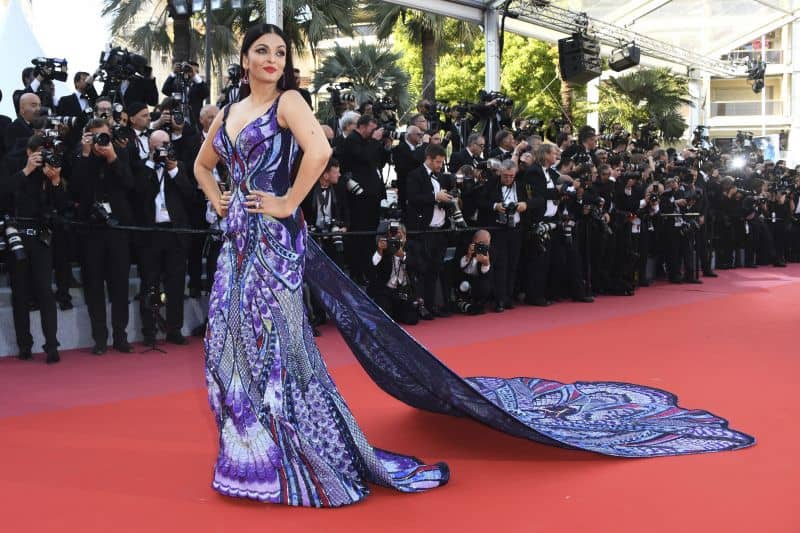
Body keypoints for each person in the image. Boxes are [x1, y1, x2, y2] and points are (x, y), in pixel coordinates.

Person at [194, 24, 449, 507]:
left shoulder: (288, 102)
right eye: (261, 50)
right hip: (236, 244)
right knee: (227, 345)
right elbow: (201, 165)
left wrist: (288, 202)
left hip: (274, 245)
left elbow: (322, 151)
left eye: (280, 51)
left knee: (278, 349)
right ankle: (249, 453)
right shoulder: (227, 112)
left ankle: (297, 456)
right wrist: (219, 199)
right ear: (245, 58)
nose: (272, 58)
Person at [0, 135, 66, 363]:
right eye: (40, 152)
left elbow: (61, 206)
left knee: (45, 291)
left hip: (41, 237)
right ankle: (24, 345)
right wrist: (26, 171)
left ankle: (52, 345)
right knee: (20, 293)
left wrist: (55, 181)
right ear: (29, 151)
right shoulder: (11, 164)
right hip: (15, 234)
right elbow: (3, 192)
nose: (44, 156)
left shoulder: (51, 168)